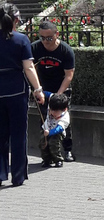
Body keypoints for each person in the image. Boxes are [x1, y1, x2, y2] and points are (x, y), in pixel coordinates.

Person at [0, 3, 45, 187]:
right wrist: (38, 89)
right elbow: (28, 67)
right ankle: (17, 175)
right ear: (16, 20)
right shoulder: (21, 39)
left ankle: (0, 173)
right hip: (17, 92)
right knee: (18, 135)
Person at [31, 20, 76, 162]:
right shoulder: (36, 48)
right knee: (44, 121)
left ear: (57, 34)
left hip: (61, 87)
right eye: (42, 38)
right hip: (43, 89)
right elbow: (29, 67)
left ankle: (67, 150)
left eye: (49, 38)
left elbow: (69, 75)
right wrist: (37, 89)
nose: (45, 42)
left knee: (62, 120)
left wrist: (58, 94)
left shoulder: (65, 50)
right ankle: (47, 154)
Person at [39, 93, 70, 168]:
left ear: (64, 110)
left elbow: (59, 129)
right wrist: (39, 93)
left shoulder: (65, 118)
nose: (53, 113)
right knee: (42, 143)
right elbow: (49, 94)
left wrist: (49, 133)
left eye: (56, 112)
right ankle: (46, 160)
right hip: (46, 129)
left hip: (57, 133)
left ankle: (58, 160)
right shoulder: (53, 104)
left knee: (54, 143)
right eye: (51, 110)